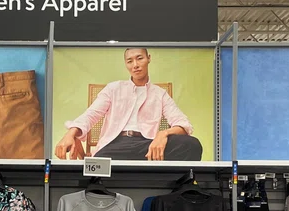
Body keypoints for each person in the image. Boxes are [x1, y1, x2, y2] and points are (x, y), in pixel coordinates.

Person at [55, 47, 204, 161]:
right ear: (126, 64)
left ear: (149, 58)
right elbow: (91, 114)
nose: (135, 65)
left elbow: (183, 124)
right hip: (114, 145)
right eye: (130, 61)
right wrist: (70, 133)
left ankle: (175, 193)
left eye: (139, 58)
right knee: (99, 165)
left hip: (146, 146)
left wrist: (163, 134)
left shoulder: (160, 94)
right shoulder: (114, 88)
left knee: (192, 145)